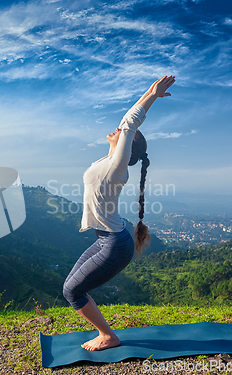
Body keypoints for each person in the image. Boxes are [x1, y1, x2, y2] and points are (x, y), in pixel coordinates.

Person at [63, 75, 176, 351]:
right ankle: (105, 332)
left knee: (72, 292)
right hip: (108, 239)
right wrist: (149, 93)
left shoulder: (117, 166)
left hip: (115, 244)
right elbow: (127, 124)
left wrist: (151, 96)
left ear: (129, 146)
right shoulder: (109, 160)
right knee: (71, 287)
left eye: (125, 134)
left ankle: (108, 336)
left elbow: (129, 122)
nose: (118, 128)